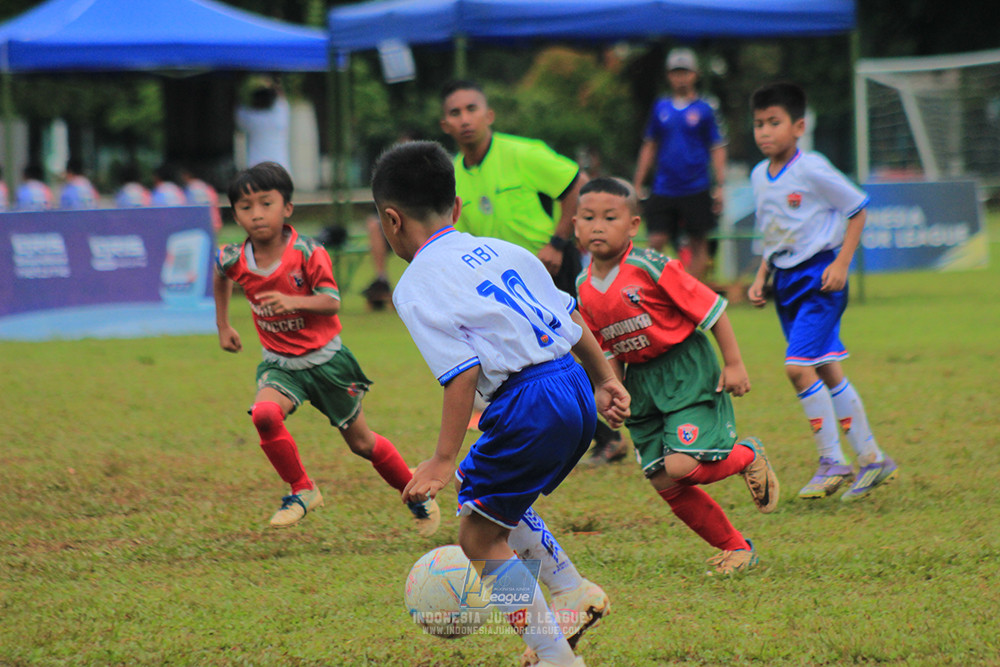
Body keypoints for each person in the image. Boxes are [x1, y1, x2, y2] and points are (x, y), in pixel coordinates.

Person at [372, 141, 630, 667]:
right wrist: (604, 379)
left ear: (390, 220)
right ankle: (571, 591)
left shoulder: (416, 284)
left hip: (529, 401)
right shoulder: (504, 251)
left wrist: (441, 458)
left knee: (477, 539)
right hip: (574, 387)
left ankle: (554, 655)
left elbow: (461, 372)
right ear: (458, 206)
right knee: (484, 490)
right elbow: (570, 318)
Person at [213, 161, 440, 534]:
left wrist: (294, 303)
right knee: (264, 415)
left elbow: (332, 301)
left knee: (363, 444)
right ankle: (302, 490)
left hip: (327, 363)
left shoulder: (307, 252)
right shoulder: (234, 257)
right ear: (235, 212)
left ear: (287, 208)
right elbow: (220, 274)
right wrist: (223, 325)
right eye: (245, 206)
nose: (256, 215)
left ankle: (416, 494)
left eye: (266, 204)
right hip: (281, 365)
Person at [573, 177, 779, 575]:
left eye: (610, 217)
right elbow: (607, 348)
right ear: (575, 225)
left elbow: (713, 311)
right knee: (664, 481)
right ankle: (736, 549)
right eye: (587, 217)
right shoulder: (583, 287)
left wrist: (733, 364)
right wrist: (609, 388)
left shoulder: (651, 266)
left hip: (685, 369)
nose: (597, 226)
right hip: (641, 383)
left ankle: (748, 455)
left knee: (683, 465)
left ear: (633, 225)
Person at [439, 78, 628, 463]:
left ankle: (611, 425)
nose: (465, 119)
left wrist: (559, 242)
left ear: (488, 115)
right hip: (501, 284)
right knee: (527, 360)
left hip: (549, 266)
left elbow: (578, 185)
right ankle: (576, 433)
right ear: (445, 125)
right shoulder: (451, 174)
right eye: (454, 113)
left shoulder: (522, 153)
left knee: (571, 345)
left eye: (471, 109)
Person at [747, 82, 898, 502]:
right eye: (758, 124)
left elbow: (857, 209)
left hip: (820, 280)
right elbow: (773, 233)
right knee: (827, 369)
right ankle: (873, 459)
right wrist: (762, 276)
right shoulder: (760, 176)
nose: (764, 132)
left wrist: (841, 264)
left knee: (797, 368)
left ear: (798, 126)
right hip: (787, 282)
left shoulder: (811, 167)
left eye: (774, 123)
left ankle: (832, 460)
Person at [632, 47, 727, 281]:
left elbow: (717, 147)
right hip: (664, 186)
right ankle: (658, 292)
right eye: (676, 72)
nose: (681, 77)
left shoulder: (705, 108)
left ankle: (694, 296)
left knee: (699, 242)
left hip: (696, 185)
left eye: (685, 72)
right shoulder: (661, 107)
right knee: (655, 241)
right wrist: (638, 183)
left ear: (695, 74)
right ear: (669, 75)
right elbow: (650, 145)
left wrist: (720, 185)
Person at [235, 77, 291, 172]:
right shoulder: (279, 118)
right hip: (280, 168)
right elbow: (281, 96)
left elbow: (238, 105)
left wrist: (240, 82)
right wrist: (274, 80)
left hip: (256, 169)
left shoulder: (251, 119)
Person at [180, 167, 223, 234]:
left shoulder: (194, 187)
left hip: (204, 222)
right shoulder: (202, 186)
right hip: (209, 220)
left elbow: (200, 206)